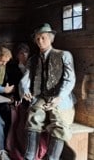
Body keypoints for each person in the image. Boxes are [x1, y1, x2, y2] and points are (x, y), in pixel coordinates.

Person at [19, 23, 76, 160]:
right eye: (37, 39)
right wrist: (24, 90)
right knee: (34, 117)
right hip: (41, 97)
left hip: (61, 98)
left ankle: (52, 158)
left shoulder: (64, 55)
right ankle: (29, 157)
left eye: (43, 38)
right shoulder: (32, 60)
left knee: (59, 122)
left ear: (51, 38)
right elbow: (24, 80)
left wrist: (59, 97)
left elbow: (70, 80)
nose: (40, 41)